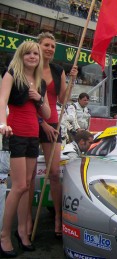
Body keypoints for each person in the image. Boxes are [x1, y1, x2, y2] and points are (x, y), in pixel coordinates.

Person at [0, 41, 51, 257]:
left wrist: (38, 98)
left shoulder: (41, 83)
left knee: (27, 185)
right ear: (21, 55)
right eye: (28, 53)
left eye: (36, 53)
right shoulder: (11, 74)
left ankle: (22, 232)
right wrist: (3, 124)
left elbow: (47, 114)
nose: (32, 56)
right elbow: (1, 102)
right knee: (20, 185)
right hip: (15, 133)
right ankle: (4, 234)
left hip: (33, 136)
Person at [28, 32, 78, 240]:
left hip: (54, 122)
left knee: (55, 172)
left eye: (52, 46)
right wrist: (41, 122)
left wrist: (72, 80)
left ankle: (58, 218)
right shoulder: (30, 67)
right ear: (38, 46)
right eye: (46, 45)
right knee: (29, 177)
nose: (49, 48)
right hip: (31, 121)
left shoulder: (58, 70)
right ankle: (27, 220)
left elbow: (63, 98)